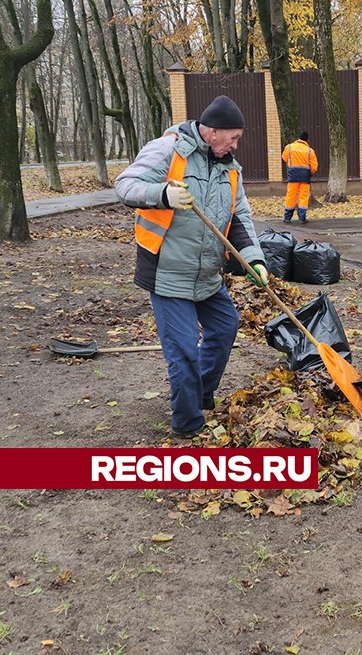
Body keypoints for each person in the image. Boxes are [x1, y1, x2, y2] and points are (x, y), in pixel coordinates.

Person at [114, 95, 269, 439]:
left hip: (207, 275)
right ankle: (187, 422)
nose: (236, 144)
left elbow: (239, 216)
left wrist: (254, 258)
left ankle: (200, 393)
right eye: (232, 137)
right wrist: (163, 195)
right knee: (183, 350)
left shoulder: (229, 167)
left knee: (226, 326)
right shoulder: (169, 150)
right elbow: (125, 186)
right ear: (212, 132)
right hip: (168, 273)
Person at [281, 131, 318, 223]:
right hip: (305, 176)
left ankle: (287, 217)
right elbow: (314, 166)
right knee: (303, 196)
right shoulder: (310, 151)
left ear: (298, 138)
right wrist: (311, 172)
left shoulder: (289, 147)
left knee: (291, 195)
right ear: (306, 140)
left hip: (293, 175)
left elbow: (284, 158)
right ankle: (302, 218)